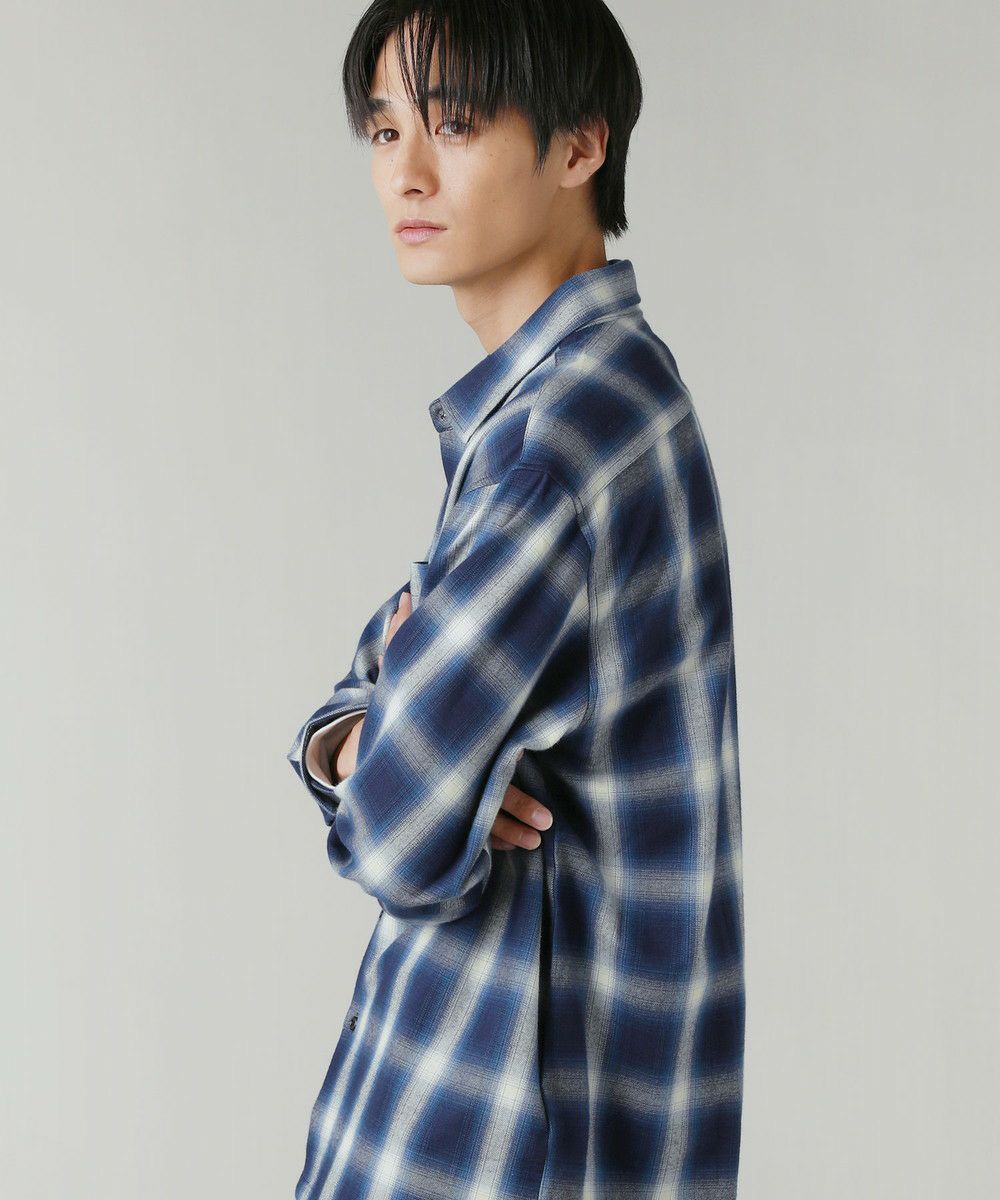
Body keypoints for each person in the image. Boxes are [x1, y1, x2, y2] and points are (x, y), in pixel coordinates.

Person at [285, 2, 746, 1196]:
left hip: (488, 1146)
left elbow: (396, 836)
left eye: (454, 124)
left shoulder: (555, 449)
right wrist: (375, 735)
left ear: (580, 145)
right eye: (385, 130)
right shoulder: (600, 398)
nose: (406, 173)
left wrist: (385, 740)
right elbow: (377, 721)